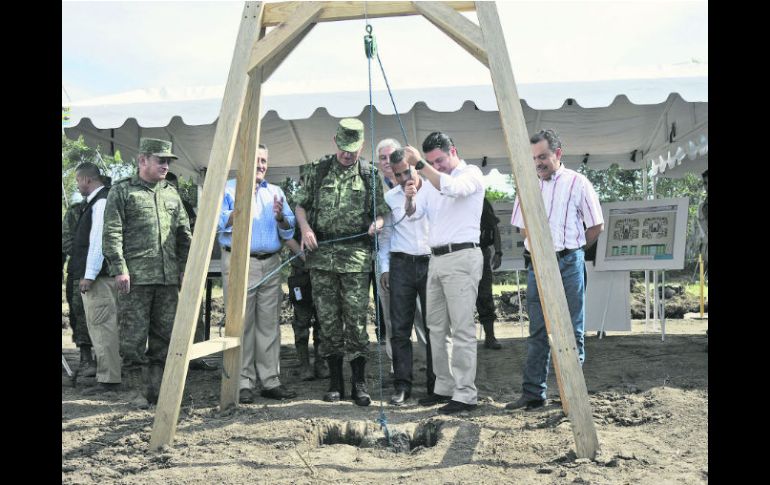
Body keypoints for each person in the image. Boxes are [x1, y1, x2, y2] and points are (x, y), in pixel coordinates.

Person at [506, 129, 604, 411]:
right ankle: (533, 394)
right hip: (538, 264)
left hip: (569, 262)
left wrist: (573, 249)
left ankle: (570, 396)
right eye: (534, 158)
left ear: (558, 154)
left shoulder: (578, 183)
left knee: (572, 331)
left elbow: (596, 224)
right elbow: (522, 226)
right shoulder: (527, 185)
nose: (538, 163)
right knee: (538, 330)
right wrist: (541, 251)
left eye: (543, 157)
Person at [294, 118, 389, 406]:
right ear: (335, 142)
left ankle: (359, 384)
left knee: (357, 322)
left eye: (354, 149)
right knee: (328, 322)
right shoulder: (318, 170)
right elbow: (301, 206)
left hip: (356, 259)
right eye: (344, 148)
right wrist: (306, 229)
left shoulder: (370, 175)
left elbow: (382, 212)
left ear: (362, 145)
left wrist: (377, 223)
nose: (348, 155)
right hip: (322, 258)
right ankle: (336, 383)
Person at [102, 137, 192, 407]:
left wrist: (187, 268)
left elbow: (183, 234)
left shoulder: (171, 193)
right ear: (143, 160)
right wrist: (120, 269)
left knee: (165, 337)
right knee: (132, 339)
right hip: (136, 279)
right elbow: (112, 233)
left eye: (168, 161)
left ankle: (158, 391)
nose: (165, 165)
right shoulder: (122, 192)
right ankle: (135, 392)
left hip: (166, 280)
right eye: (160, 160)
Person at [403, 131, 485, 415]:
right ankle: (445, 386)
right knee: (436, 328)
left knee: (462, 328)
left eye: (439, 160)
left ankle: (465, 393)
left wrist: (420, 166)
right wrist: (410, 197)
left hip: (463, 255)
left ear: (454, 151)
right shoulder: (429, 181)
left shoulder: (470, 173)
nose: (436, 166)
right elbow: (413, 214)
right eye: (430, 162)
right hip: (435, 258)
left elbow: (452, 189)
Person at [218, 144, 298, 403]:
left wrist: (280, 218)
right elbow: (217, 222)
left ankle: (270, 380)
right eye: (256, 160)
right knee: (242, 323)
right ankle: (243, 382)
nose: (261, 165)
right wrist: (238, 207)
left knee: (269, 324)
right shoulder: (228, 188)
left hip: (271, 263)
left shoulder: (275, 191)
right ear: (245, 161)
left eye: (264, 160)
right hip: (240, 262)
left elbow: (288, 230)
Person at [379, 147, 436, 405]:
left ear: (415, 165)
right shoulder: (390, 198)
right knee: (400, 329)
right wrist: (385, 268)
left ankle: (436, 384)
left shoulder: (434, 191)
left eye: (407, 172)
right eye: (398, 175)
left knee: (433, 327)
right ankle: (402, 386)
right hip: (401, 263)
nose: (404, 179)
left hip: (429, 261)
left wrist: (413, 199)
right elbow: (386, 236)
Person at [71, 162, 121, 394]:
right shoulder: (100, 201)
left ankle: (108, 380)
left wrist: (89, 275)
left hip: (99, 278)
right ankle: (109, 375)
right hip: (102, 276)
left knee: (102, 327)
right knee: (105, 326)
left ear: (87, 180)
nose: (78, 186)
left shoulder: (100, 203)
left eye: (78, 181)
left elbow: (99, 242)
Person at [165, 171, 217, 371]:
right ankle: (169, 358)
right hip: (163, 270)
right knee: (167, 315)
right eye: (169, 187)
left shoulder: (184, 206)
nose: (173, 191)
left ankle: (195, 356)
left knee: (195, 311)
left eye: (174, 187)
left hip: (188, 266)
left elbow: (194, 234)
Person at [284, 163, 329, 381]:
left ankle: (321, 362)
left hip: (322, 272)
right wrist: (304, 257)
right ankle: (304, 365)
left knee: (322, 320)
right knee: (301, 321)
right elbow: (287, 237)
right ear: (301, 181)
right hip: (301, 272)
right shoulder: (294, 206)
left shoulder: (324, 203)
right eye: (306, 180)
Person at [62, 198, 96, 377]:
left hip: (107, 272)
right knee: (79, 315)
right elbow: (65, 241)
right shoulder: (76, 211)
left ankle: (102, 360)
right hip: (78, 271)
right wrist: (87, 255)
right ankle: (85, 358)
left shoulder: (113, 207)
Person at [476, 196, 503, 349]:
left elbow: (494, 227)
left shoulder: (482, 201)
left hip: (482, 252)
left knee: (485, 295)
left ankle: (490, 337)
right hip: (460, 253)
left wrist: (498, 252)